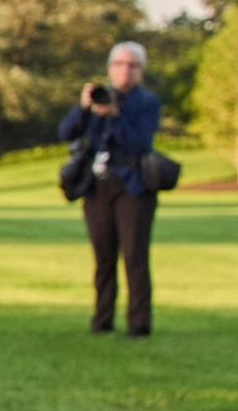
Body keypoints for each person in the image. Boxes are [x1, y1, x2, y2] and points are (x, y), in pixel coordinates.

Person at [59, 41, 162, 337]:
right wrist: (83, 108)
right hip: (97, 187)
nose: (125, 70)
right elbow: (66, 132)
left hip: (133, 186)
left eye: (132, 65)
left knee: (134, 256)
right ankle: (102, 319)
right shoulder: (97, 99)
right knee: (103, 256)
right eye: (119, 64)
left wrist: (116, 115)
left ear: (141, 71)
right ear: (109, 68)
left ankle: (139, 323)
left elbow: (140, 142)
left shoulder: (147, 103)